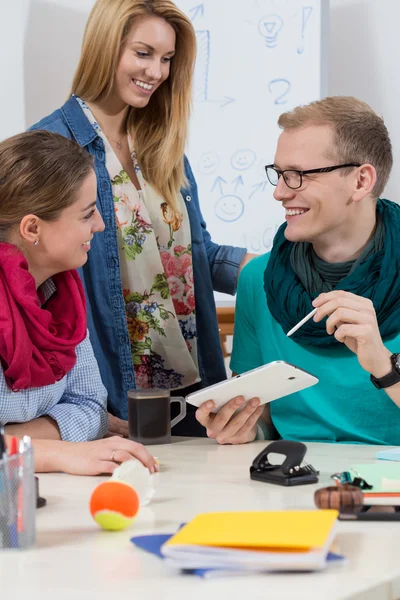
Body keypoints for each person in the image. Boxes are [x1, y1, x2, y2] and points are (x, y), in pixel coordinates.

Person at [30, 0, 255, 437]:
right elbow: (34, 279)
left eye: (167, 58)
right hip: (109, 393)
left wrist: (277, 268)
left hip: (193, 391)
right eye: (143, 53)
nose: (156, 71)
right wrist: (78, 407)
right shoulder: (49, 145)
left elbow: (195, 257)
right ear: (105, 48)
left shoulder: (164, 148)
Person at [198, 96, 400, 445]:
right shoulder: (258, 280)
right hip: (292, 481)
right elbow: (263, 417)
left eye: (298, 177)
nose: (279, 192)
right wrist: (244, 428)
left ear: (361, 181)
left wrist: (383, 364)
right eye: (278, 175)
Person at [0, 130, 157, 474]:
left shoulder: (61, 295)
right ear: (32, 229)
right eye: (86, 214)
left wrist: (12, 440)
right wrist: (54, 452)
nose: (100, 225)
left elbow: (90, 407)